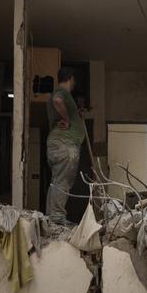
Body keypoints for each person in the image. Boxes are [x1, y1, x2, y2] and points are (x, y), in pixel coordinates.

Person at [46, 67, 85, 224]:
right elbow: (57, 100)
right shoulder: (62, 92)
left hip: (59, 144)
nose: (74, 83)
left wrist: (74, 115)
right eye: (73, 80)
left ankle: (51, 217)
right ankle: (56, 217)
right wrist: (68, 119)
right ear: (70, 78)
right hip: (65, 144)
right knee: (62, 181)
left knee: (57, 180)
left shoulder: (62, 94)